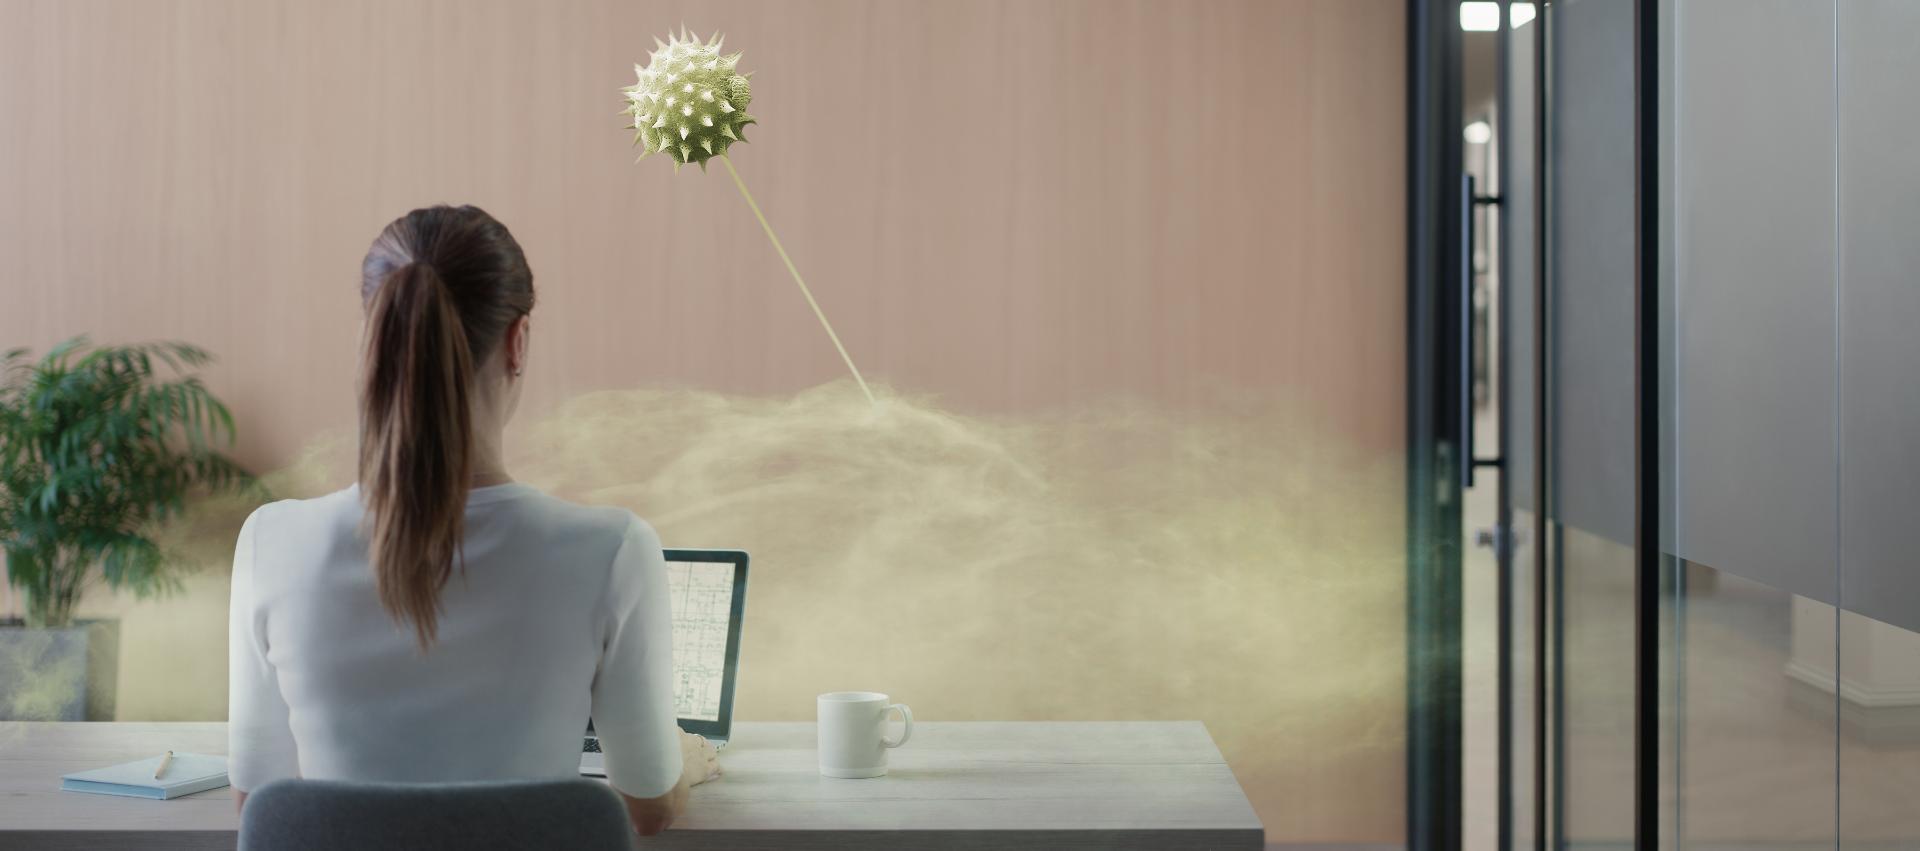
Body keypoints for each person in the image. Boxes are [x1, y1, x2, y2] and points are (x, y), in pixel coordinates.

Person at [227, 205, 719, 836]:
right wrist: (686, 767)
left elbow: (261, 806)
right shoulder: (611, 550)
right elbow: (648, 808)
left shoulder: (272, 543)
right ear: (517, 343)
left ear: (375, 338)